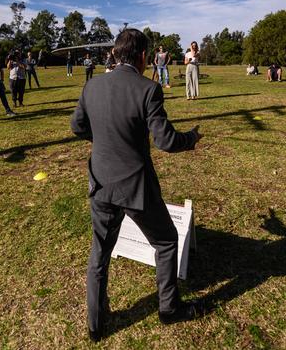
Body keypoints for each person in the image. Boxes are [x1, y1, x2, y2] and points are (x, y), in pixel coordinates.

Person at [70, 28, 203, 342]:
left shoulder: (92, 86)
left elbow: (77, 127)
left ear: (116, 54)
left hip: (101, 183)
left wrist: (103, 138)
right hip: (135, 187)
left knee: (99, 256)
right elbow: (166, 141)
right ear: (144, 57)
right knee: (167, 242)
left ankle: (96, 325)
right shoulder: (148, 89)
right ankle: (169, 309)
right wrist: (192, 138)